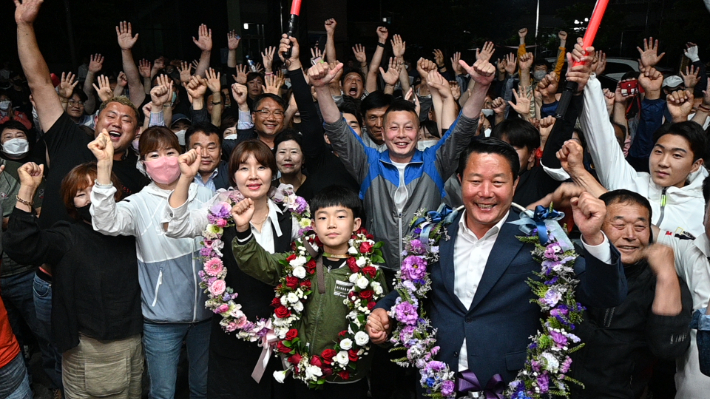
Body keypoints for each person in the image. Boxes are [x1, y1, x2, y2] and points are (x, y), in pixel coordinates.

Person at [367, 137, 626, 392]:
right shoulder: (433, 234)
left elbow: (605, 295)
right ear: (460, 181)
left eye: (498, 182)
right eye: (476, 181)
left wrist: (593, 236)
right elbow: (411, 291)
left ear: (515, 184)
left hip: (512, 384)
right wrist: (383, 311)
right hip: (437, 380)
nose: (486, 192)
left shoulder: (543, 239)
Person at [310, 56, 493, 273]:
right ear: (384, 133)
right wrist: (321, 89)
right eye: (394, 128)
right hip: (378, 269)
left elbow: (461, 131)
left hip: (427, 269)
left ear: (417, 132)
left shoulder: (434, 161)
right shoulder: (368, 162)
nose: (401, 135)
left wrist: (482, 86)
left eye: (408, 128)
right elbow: (338, 131)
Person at [164, 140, 298, 398]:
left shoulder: (290, 216)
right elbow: (175, 226)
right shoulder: (219, 213)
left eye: (261, 167)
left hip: (281, 333)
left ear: (274, 172)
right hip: (233, 336)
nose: (253, 176)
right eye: (244, 168)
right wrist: (185, 178)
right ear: (233, 175)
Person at [230, 186, 388, 398]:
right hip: (302, 373)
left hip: (347, 378)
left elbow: (383, 319)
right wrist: (243, 230)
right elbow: (260, 263)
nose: (331, 224)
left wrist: (381, 332)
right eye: (323, 218)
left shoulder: (369, 274)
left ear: (356, 224)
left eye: (341, 216)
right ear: (313, 225)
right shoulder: (300, 262)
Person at [89, 127, 211, 399]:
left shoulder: (205, 194)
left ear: (183, 155)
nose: (164, 160)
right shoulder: (137, 203)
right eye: (154, 154)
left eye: (170, 152)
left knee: (202, 388)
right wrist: (104, 166)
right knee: (162, 392)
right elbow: (104, 221)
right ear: (143, 163)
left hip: (207, 315)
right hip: (162, 320)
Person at [4, 161, 143, 399]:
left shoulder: (130, 229)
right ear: (71, 204)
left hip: (133, 343)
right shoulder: (68, 236)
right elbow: (22, 245)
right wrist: (27, 190)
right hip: (93, 350)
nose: (91, 200)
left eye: (97, 189)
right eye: (81, 194)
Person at [14, 0, 149, 230]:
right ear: (96, 120)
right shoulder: (68, 139)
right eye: (111, 115)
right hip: (53, 262)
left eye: (126, 120)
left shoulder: (140, 178)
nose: (117, 122)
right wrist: (24, 25)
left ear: (137, 131)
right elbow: (40, 83)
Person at [568, 189, 692, 398]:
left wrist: (666, 276)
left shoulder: (663, 279)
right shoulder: (572, 264)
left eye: (640, 226)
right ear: (597, 224)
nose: (630, 235)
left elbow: (667, 350)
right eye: (619, 225)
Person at [580, 66, 709, 237]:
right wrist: (586, 79)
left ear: (696, 165)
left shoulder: (703, 205)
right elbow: (599, 133)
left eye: (677, 155)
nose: (663, 162)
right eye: (658, 151)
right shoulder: (629, 182)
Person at [184, 122, 230, 192]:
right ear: (187, 150)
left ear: (220, 150)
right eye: (198, 148)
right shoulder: (177, 175)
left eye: (211, 148)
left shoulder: (231, 173)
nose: (205, 155)